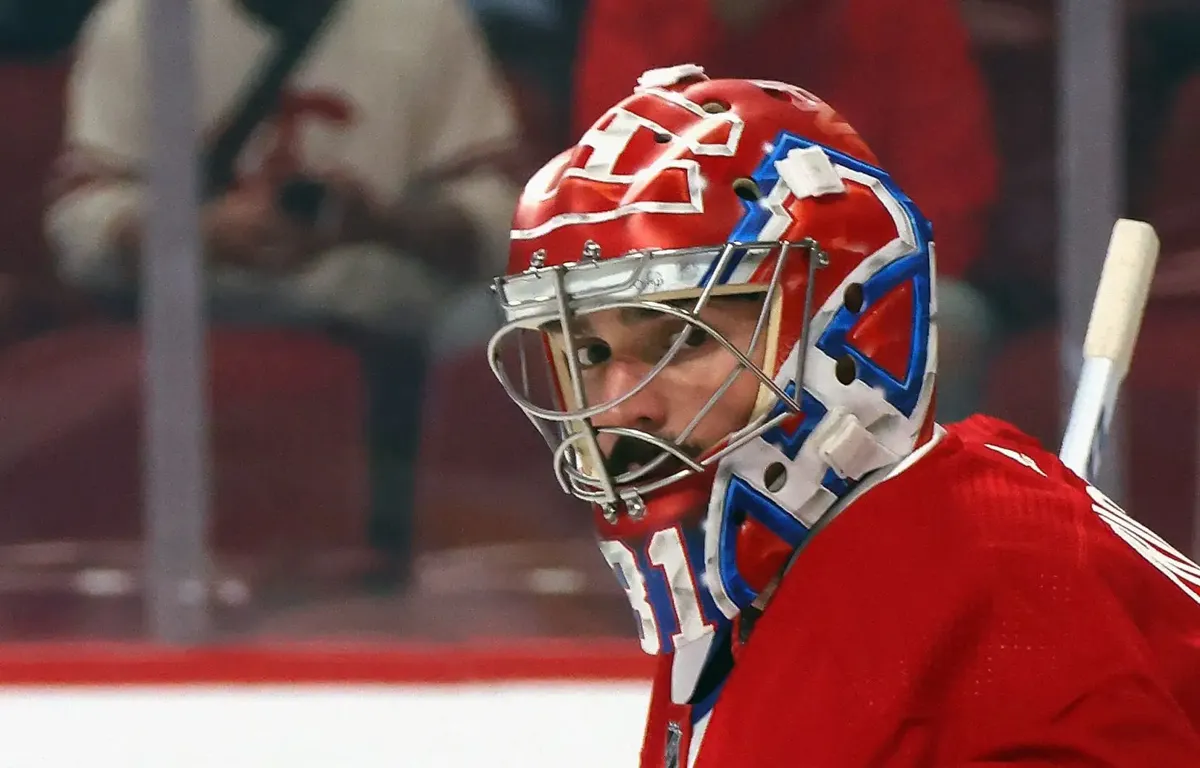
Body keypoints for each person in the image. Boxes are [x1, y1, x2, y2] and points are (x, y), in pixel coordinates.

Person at [484, 66, 1200, 766]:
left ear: (847, 325)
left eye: (683, 337)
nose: (623, 405)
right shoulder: (742, 593)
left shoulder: (1007, 588)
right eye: (590, 351)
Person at [45, 0, 520, 584]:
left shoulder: (422, 17)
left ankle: (455, 579)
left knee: (505, 332)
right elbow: (79, 223)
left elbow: (502, 218)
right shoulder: (143, 20)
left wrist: (382, 222)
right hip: (195, 312)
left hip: (392, 312)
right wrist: (200, 232)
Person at [572, 0, 1001, 422]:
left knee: (949, 316)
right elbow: (610, 195)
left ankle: (911, 490)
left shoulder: (903, 13)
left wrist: (822, 293)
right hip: (677, 289)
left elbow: (947, 207)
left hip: (856, 287)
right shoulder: (636, 11)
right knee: (600, 332)